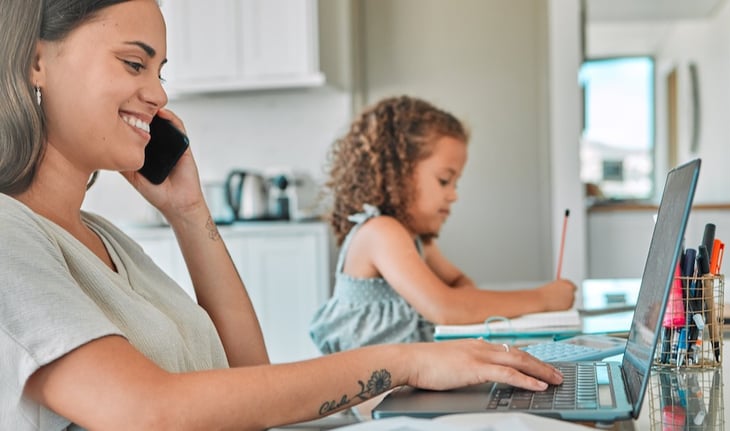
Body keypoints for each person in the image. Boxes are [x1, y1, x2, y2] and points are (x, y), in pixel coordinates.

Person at [0, 1, 565, 430]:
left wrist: (189, 212)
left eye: (160, 73)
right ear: (35, 61)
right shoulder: (8, 233)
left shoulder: (104, 238)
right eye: (133, 64)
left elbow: (246, 377)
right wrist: (405, 362)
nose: (157, 94)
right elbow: (144, 410)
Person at [309, 96, 577, 354]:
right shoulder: (381, 232)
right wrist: (543, 299)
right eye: (444, 180)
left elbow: (459, 283)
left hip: (412, 379)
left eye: (455, 183)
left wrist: (464, 305)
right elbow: (444, 308)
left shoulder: (415, 238)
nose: (453, 194)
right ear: (398, 173)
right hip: (379, 396)